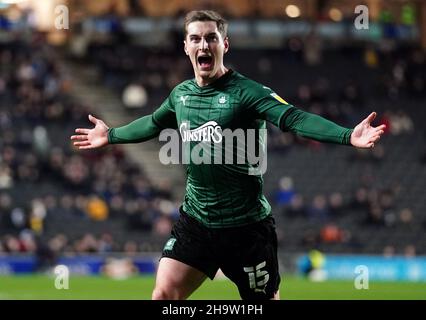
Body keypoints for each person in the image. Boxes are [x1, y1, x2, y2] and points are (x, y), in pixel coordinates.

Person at [71, 10, 386, 300]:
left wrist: (348, 135)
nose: (203, 44)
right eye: (195, 38)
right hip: (196, 222)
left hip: (246, 230)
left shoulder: (248, 92)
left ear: (225, 44)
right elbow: (153, 123)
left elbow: (294, 118)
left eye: (211, 38)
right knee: (163, 296)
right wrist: (110, 135)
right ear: (185, 46)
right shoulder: (180, 95)